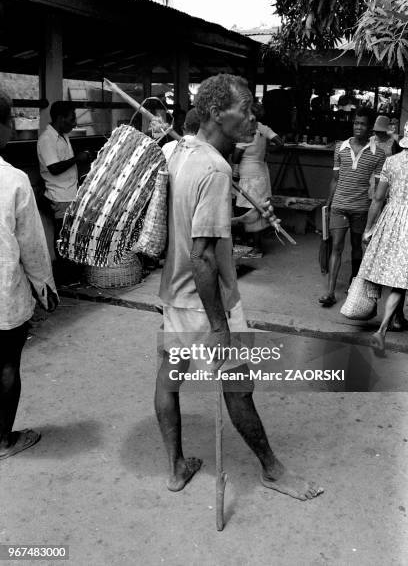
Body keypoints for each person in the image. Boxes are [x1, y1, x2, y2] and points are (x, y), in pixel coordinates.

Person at [155, 73, 323, 501]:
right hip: (207, 300)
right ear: (215, 113)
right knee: (238, 386)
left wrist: (243, 222)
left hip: (173, 294)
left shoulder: (176, 152)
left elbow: (196, 231)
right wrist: (218, 325)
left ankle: (176, 468)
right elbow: (204, 256)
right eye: (245, 108)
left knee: (169, 379)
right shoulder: (214, 167)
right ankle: (271, 469)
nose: (252, 116)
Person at [0, 90, 58, 460]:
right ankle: (3, 441)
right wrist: (45, 289)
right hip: (3, 297)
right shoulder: (14, 180)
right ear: (3, 128)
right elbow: (33, 248)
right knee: (5, 366)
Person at [319, 107, 386, 307]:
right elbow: (335, 179)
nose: (358, 127)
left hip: (361, 209)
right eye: (356, 123)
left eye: (363, 124)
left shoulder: (378, 154)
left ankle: (353, 286)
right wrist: (328, 204)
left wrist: (376, 212)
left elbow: (376, 189)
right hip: (339, 205)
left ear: (370, 127)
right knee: (336, 248)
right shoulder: (340, 147)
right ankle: (330, 292)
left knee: (357, 248)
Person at [358, 121, 408, 353]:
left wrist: (369, 228)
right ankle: (385, 327)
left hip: (390, 220)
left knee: (386, 271)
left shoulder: (391, 162)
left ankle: (383, 327)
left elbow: (377, 199)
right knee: (401, 279)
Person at [233, 104, 283, 258]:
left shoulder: (247, 129)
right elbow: (280, 143)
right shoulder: (264, 128)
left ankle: (255, 246)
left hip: (247, 176)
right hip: (261, 174)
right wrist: (267, 151)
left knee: (247, 211)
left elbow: (237, 155)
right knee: (259, 210)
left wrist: (234, 168)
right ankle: (253, 243)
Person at [37, 101, 90, 243]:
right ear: (61, 118)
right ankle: (62, 266)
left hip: (71, 193)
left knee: (72, 237)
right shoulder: (47, 139)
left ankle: (69, 265)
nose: (75, 124)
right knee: (63, 238)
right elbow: (54, 168)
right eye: (72, 119)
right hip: (60, 196)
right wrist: (77, 159)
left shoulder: (64, 136)